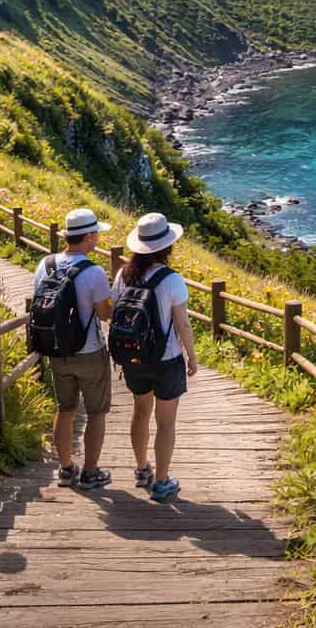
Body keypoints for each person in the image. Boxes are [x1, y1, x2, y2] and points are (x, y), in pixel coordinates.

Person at [112, 213, 198, 500]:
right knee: (166, 422)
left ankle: (141, 470)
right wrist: (192, 357)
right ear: (167, 247)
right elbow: (183, 325)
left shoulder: (123, 275)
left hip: (134, 358)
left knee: (140, 412)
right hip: (167, 358)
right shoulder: (171, 280)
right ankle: (162, 482)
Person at [35, 209, 115, 490]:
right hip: (89, 350)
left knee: (65, 408)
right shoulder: (93, 272)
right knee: (96, 412)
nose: (98, 238)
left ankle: (66, 468)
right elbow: (104, 315)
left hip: (57, 350)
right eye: (97, 234)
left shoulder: (45, 265)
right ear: (89, 236)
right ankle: (90, 472)